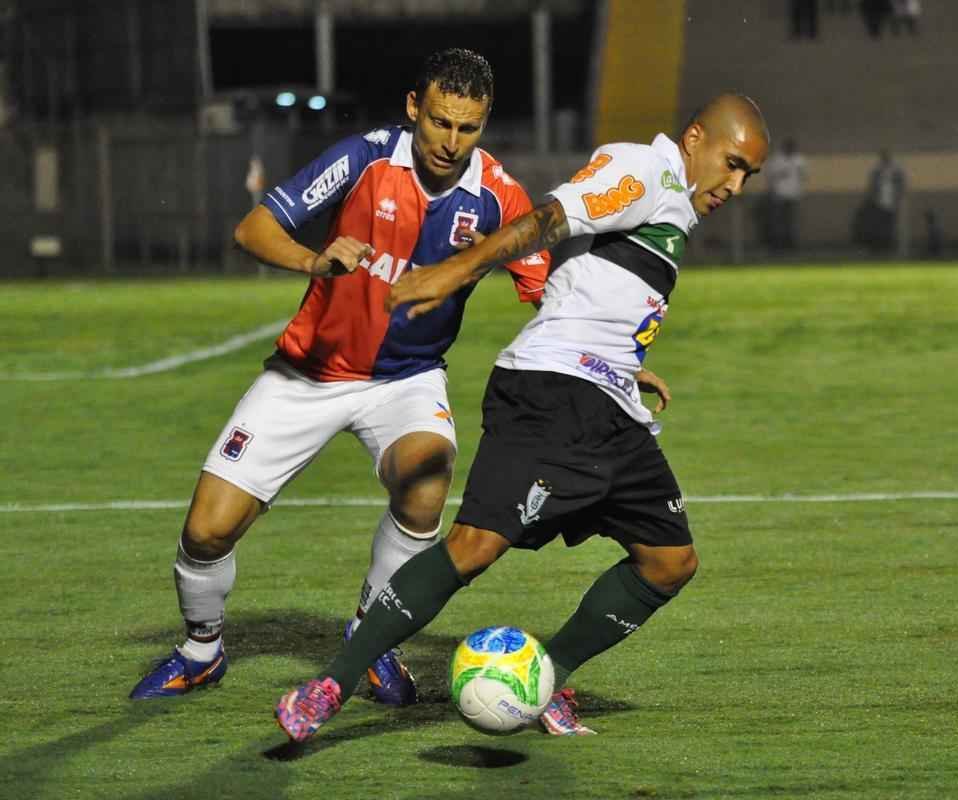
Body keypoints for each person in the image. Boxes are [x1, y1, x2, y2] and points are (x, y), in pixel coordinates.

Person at [272, 93, 770, 741]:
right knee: (474, 547)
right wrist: (448, 274)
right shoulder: (645, 170)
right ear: (695, 136)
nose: (734, 185)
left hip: (608, 398)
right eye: (732, 163)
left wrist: (626, 357)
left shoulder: (670, 199)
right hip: (552, 391)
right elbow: (549, 221)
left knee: (669, 560)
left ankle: (545, 680)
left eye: (748, 176)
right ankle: (329, 686)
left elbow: (583, 267)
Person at [129, 48, 551, 704]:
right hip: (308, 374)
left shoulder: (499, 197)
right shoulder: (364, 159)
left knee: (427, 476)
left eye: (468, 127)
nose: (451, 140)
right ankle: (201, 649)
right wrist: (317, 260)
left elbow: (546, 286)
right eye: (440, 121)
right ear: (415, 107)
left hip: (407, 379)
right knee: (206, 531)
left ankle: (370, 635)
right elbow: (253, 229)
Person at [853, 148, 905, 254]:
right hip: (878, 203)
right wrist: (872, 198)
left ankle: (888, 246)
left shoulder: (896, 171)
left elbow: (901, 185)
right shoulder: (876, 171)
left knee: (890, 225)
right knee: (878, 225)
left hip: (891, 203)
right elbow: (871, 186)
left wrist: (898, 198)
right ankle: (878, 247)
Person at [763, 137, 807, 253]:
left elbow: (804, 176)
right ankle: (777, 245)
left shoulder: (799, 160)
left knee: (791, 221)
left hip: (793, 195)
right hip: (779, 195)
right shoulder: (777, 160)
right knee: (778, 222)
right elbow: (770, 175)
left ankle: (790, 245)